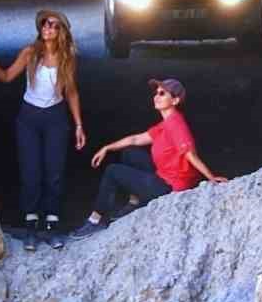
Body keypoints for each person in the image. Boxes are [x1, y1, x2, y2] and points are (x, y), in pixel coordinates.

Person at [70, 77, 225, 238]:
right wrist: (106, 148)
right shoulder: (167, 123)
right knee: (130, 153)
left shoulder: (176, 125)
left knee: (112, 171)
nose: (156, 96)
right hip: (164, 176)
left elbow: (190, 154)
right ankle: (134, 202)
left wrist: (211, 178)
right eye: (156, 93)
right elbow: (136, 139)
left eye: (162, 94)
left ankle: (96, 220)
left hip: (169, 188)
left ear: (175, 100)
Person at [0, 10, 86, 251]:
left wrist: (79, 125)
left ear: (61, 30)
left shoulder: (68, 57)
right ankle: (31, 227)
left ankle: (52, 226)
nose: (47, 29)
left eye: (53, 25)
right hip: (29, 118)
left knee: (54, 173)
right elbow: (7, 76)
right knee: (31, 173)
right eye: (44, 25)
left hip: (55, 117)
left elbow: (71, 92)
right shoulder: (30, 53)